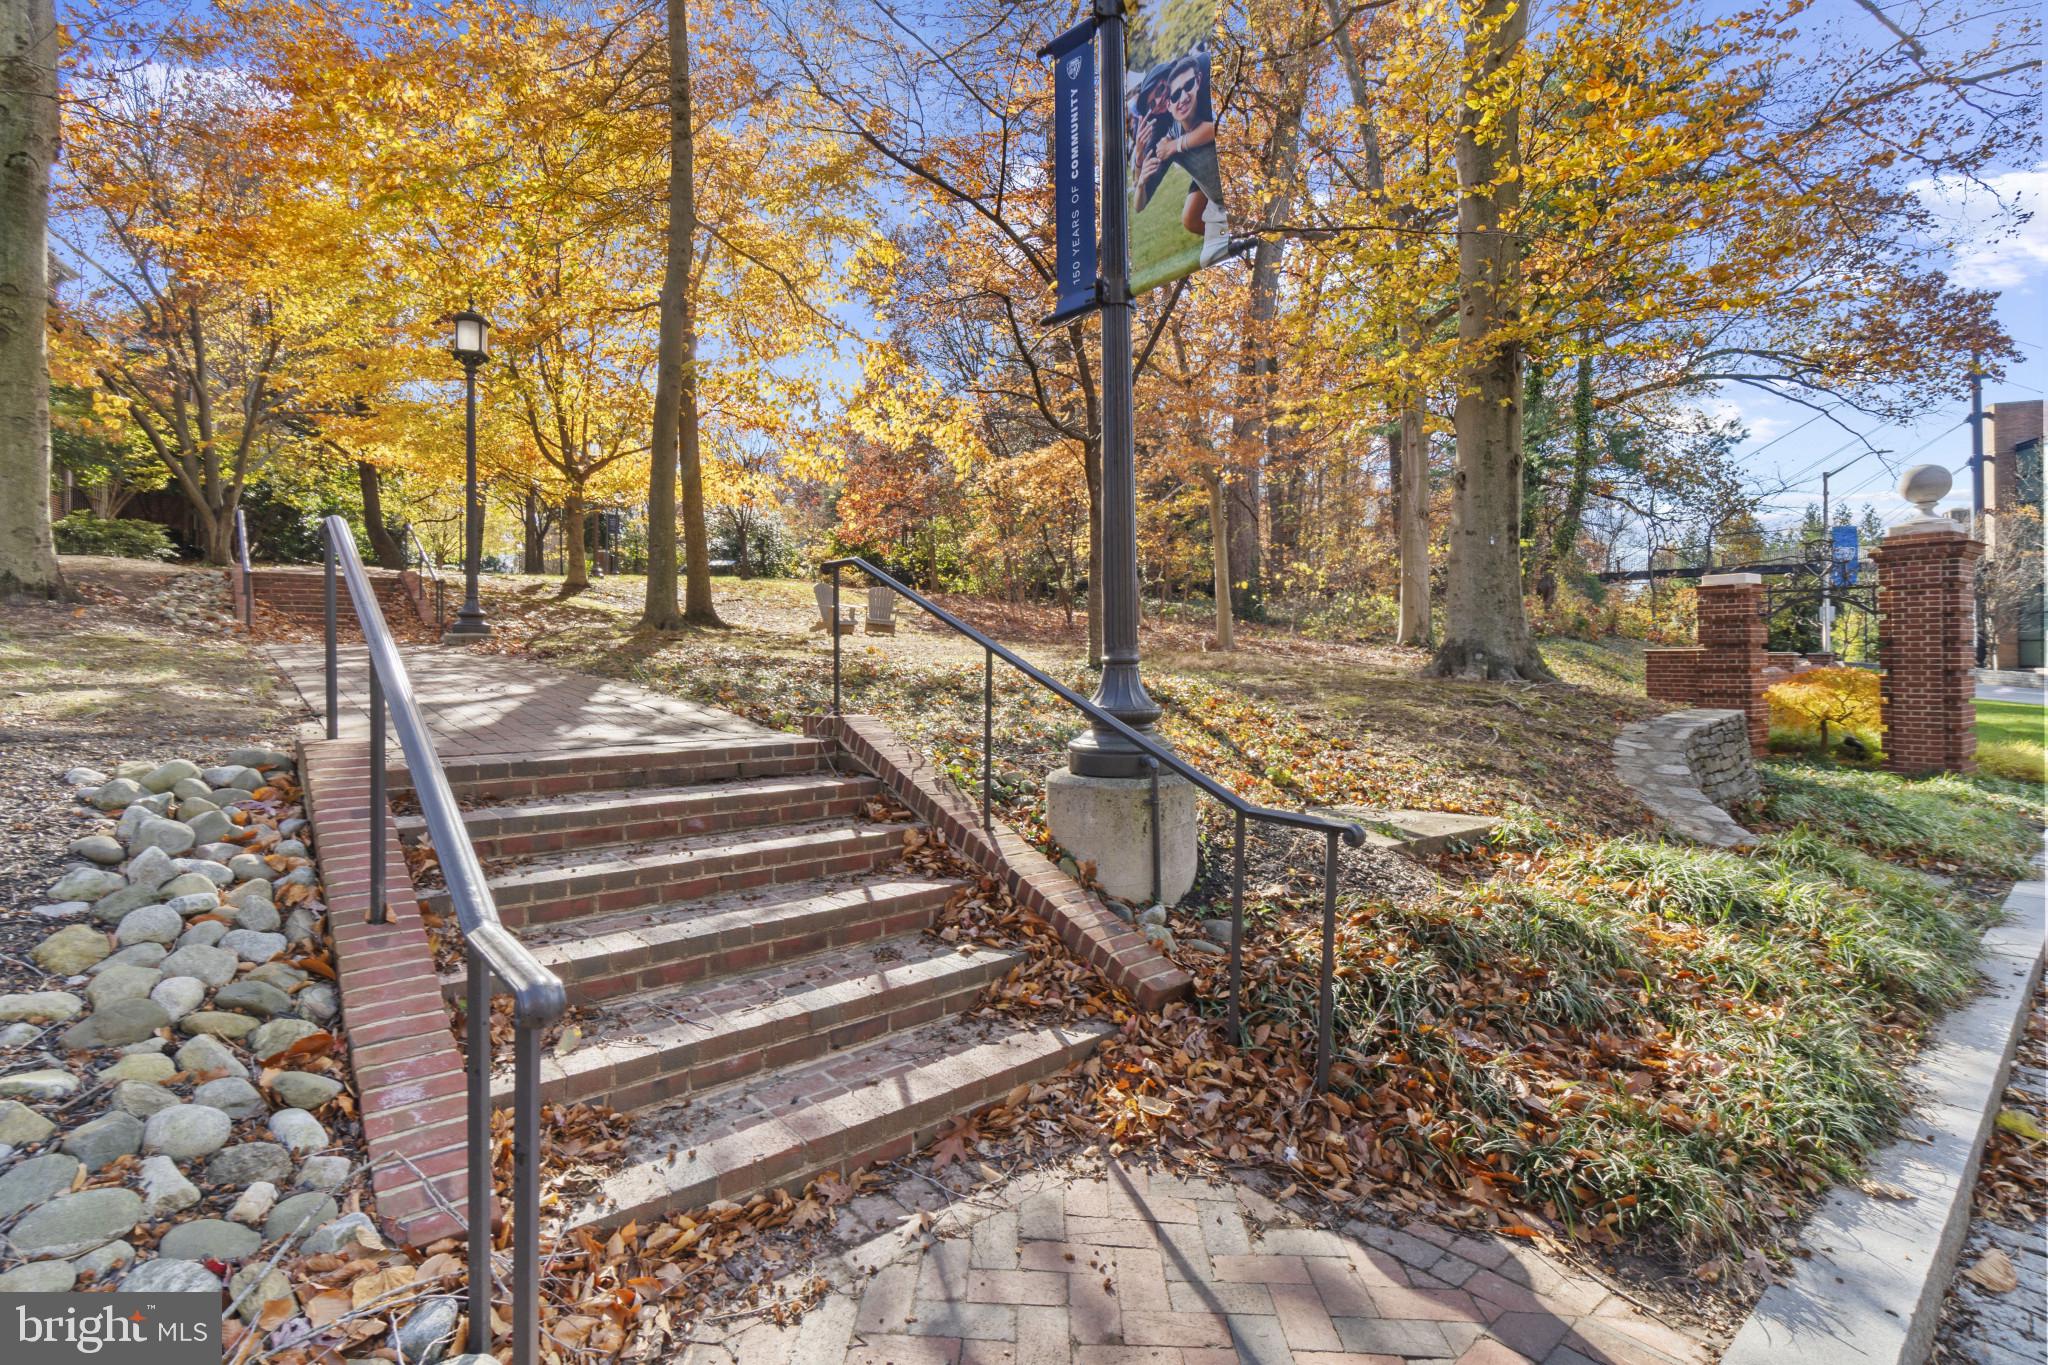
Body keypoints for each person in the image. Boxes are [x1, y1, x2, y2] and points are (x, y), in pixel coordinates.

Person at [1132, 53, 1229, 264]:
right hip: (1204, 168)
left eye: (1160, 90)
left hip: (1225, 152)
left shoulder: (1200, 71)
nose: (1159, 101)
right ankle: (1230, 234)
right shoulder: (1161, 131)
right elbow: (1141, 201)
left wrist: (1176, 145)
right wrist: (1139, 157)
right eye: (1154, 103)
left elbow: (1218, 127)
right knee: (1190, 218)